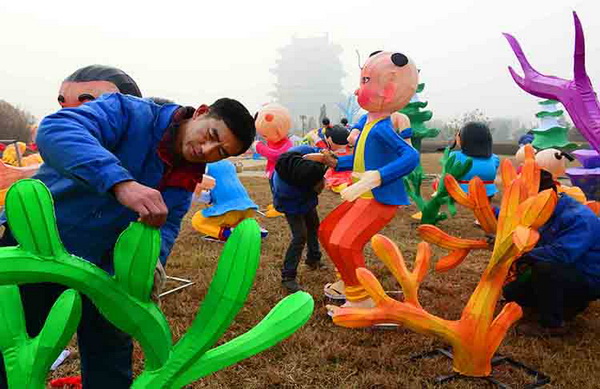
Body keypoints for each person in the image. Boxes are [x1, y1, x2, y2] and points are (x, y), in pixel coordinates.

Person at [0, 92, 256, 388]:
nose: (208, 150)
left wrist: (150, 265)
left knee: (110, 358)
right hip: (39, 246)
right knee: (12, 345)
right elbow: (57, 130)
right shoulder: (128, 113)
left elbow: (166, 225)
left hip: (108, 271)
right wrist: (121, 183)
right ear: (199, 112)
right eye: (211, 135)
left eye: (221, 152)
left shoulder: (186, 176)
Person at [503, 170, 600, 336]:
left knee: (545, 269)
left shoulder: (579, 218)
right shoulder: (544, 212)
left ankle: (553, 324)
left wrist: (522, 254)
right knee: (512, 293)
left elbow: (563, 254)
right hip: (562, 270)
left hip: (587, 277)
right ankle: (567, 306)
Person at [272, 145, 328, 293]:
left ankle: (313, 259)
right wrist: (315, 188)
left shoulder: (305, 153)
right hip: (292, 204)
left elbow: (319, 153)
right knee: (300, 235)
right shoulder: (285, 188)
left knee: (314, 225)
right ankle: (288, 277)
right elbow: (290, 201)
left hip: (305, 197)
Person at [450, 122, 500, 198]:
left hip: (462, 192)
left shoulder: (455, 156)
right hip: (488, 192)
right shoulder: (494, 158)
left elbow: (450, 174)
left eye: (459, 135)